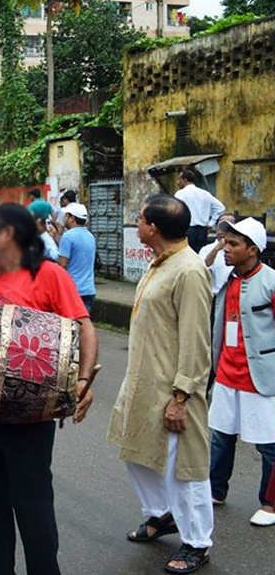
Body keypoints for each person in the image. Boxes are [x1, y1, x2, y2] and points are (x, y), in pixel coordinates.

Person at [0, 203, 97, 575]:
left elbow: (84, 328)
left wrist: (83, 380)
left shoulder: (49, 275)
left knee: (31, 502)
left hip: (30, 416)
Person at [108, 195, 213, 574]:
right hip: (143, 382)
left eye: (139, 219)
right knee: (136, 454)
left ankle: (198, 542)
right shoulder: (160, 262)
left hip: (172, 389)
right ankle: (160, 515)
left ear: (152, 227)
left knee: (181, 469)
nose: (136, 224)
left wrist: (181, 397)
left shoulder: (189, 270)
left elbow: (197, 339)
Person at [206, 217, 275, 527]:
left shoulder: (271, 281)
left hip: (261, 379)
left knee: (269, 445)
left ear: (253, 248)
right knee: (221, 438)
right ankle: (215, 490)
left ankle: (271, 503)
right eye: (225, 242)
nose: (226, 248)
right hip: (225, 375)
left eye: (233, 244)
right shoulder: (228, 279)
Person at [58, 202, 97, 313]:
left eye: (66, 215)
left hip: (73, 292)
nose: (64, 218)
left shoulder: (68, 236)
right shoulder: (90, 236)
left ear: (72, 218)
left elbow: (63, 265)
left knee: (69, 328)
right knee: (83, 326)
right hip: (89, 291)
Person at [174, 169, 224, 253]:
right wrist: (211, 223)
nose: (177, 182)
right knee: (200, 255)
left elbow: (175, 211)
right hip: (202, 231)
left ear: (185, 180)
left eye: (179, 179)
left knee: (187, 255)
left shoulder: (180, 194)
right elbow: (220, 207)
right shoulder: (205, 193)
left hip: (187, 230)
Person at [198, 213, 236, 296]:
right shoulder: (206, 249)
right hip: (213, 296)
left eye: (227, 226)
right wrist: (216, 249)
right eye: (221, 226)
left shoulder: (238, 250)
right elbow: (203, 267)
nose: (223, 230)